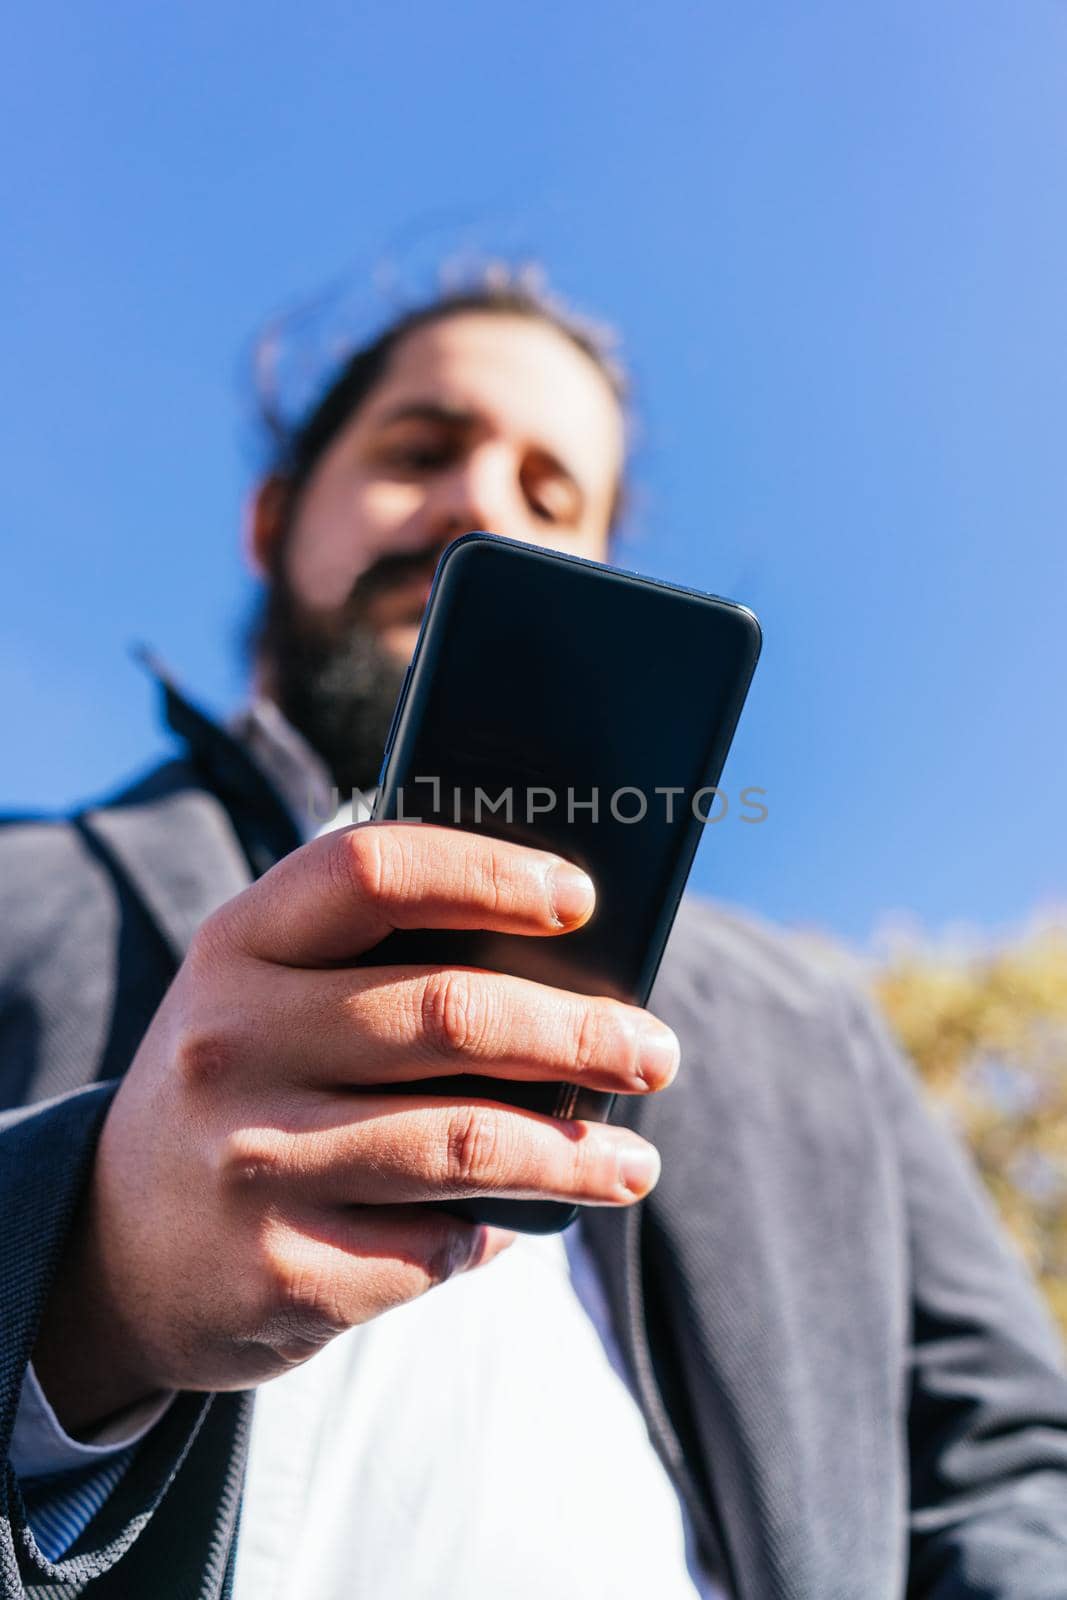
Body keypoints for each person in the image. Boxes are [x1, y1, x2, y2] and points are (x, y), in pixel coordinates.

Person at [2, 269, 1066, 1600]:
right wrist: (82, 1280)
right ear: (274, 518)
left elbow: (1009, 1453)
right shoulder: (19, 885)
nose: (481, 503)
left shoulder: (813, 1021)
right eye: (421, 450)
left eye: (552, 493)